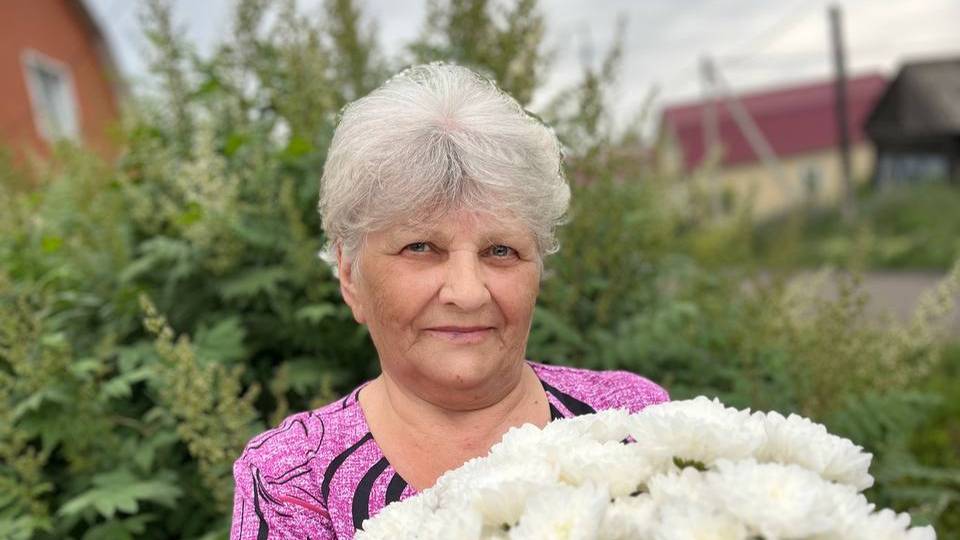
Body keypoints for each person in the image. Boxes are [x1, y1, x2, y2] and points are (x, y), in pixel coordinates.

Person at [230, 63, 668, 539]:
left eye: (500, 250)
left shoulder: (633, 420)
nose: (467, 292)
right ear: (350, 275)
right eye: (421, 247)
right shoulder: (290, 479)